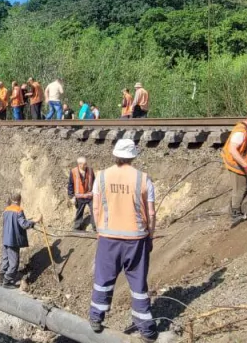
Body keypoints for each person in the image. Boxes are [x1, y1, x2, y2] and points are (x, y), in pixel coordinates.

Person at [89, 139, 158, 341]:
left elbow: (95, 209)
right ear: (133, 156)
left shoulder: (101, 177)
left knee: (103, 279)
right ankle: (145, 328)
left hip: (108, 237)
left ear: (115, 155)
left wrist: (100, 231)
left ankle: (96, 318)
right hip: (136, 239)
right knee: (138, 283)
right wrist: (150, 236)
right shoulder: (143, 179)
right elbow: (151, 213)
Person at [0, 193, 35, 289]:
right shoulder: (19, 210)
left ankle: (0, 279)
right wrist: (35, 221)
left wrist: (28, 220)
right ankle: (7, 281)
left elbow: (12, 221)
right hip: (13, 241)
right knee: (14, 263)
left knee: (5, 261)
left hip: (5, 239)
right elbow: (24, 225)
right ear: (19, 200)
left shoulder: (6, 210)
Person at [67, 157, 95, 231]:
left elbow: (94, 182)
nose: (86, 165)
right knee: (79, 212)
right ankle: (77, 228)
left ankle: (95, 228)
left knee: (94, 210)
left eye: (86, 163)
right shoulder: (73, 172)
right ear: (79, 164)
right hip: (79, 196)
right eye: (84, 164)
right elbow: (70, 184)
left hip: (89, 195)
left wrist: (95, 192)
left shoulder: (90, 170)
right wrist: (71, 196)